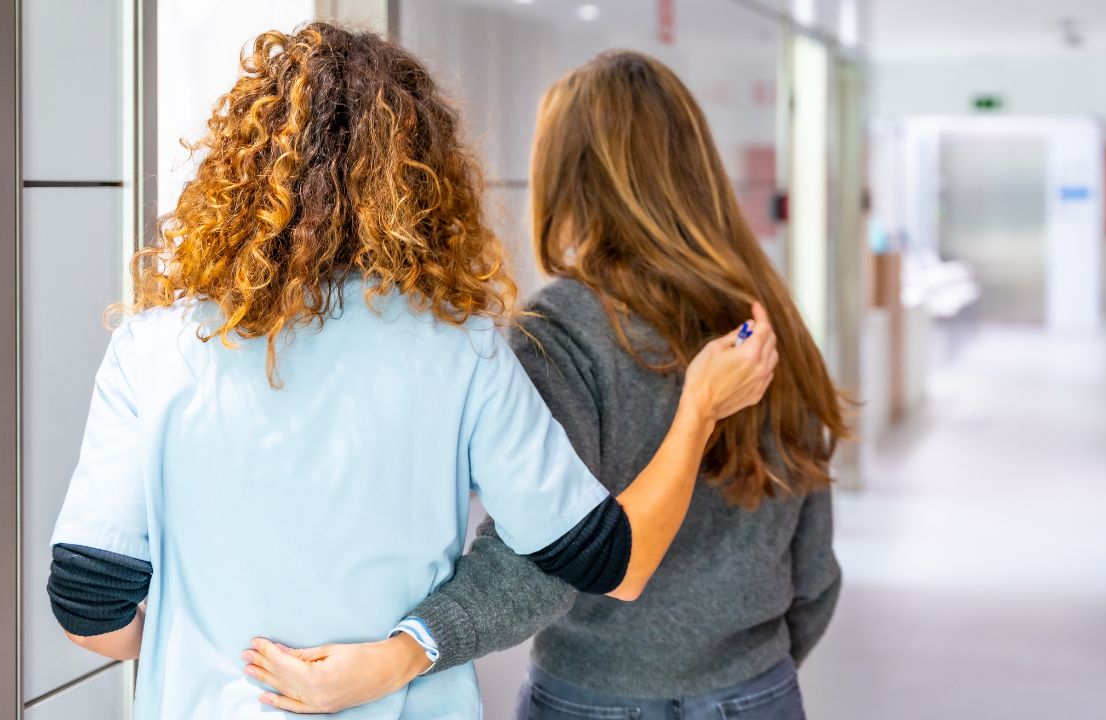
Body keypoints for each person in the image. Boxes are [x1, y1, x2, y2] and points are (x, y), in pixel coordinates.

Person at [45, 28, 778, 720]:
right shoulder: (461, 350)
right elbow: (598, 554)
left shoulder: (153, 348)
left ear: (236, 168)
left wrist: (201, 644)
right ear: (421, 181)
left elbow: (87, 609)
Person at [258, 50, 848, 719]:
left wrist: (405, 651)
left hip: (593, 697)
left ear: (568, 177)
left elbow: (537, 554)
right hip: (756, 689)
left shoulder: (560, 330)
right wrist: (746, 678)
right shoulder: (768, 321)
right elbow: (814, 570)